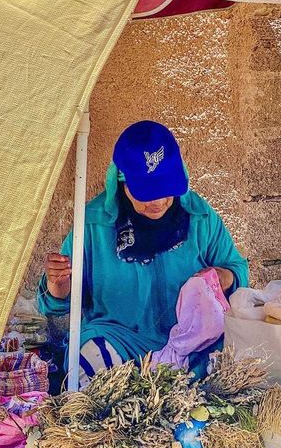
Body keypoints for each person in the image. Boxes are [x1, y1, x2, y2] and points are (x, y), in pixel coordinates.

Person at [38, 121, 248, 385]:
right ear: (122, 182)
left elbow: (239, 272)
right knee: (87, 363)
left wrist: (219, 276)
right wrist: (59, 283)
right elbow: (55, 304)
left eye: (166, 189)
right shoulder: (93, 225)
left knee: (231, 369)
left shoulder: (199, 216)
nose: (158, 202)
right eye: (147, 194)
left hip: (193, 345)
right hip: (120, 342)